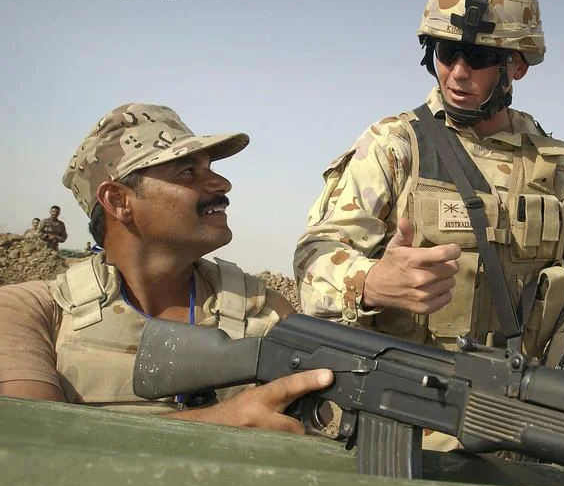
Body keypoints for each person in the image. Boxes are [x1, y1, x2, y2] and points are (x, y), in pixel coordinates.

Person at [294, 0, 564, 380]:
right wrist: (370, 282)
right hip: (409, 401)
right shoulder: (395, 146)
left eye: (478, 57)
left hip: (516, 407)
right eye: (445, 51)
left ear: (517, 66)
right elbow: (314, 257)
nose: (457, 71)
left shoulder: (558, 167)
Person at [0, 103, 332, 434]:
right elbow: (33, 439)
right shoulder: (30, 312)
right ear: (118, 201)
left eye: (210, 168)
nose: (222, 184)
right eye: (187, 172)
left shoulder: (266, 312)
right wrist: (221, 421)